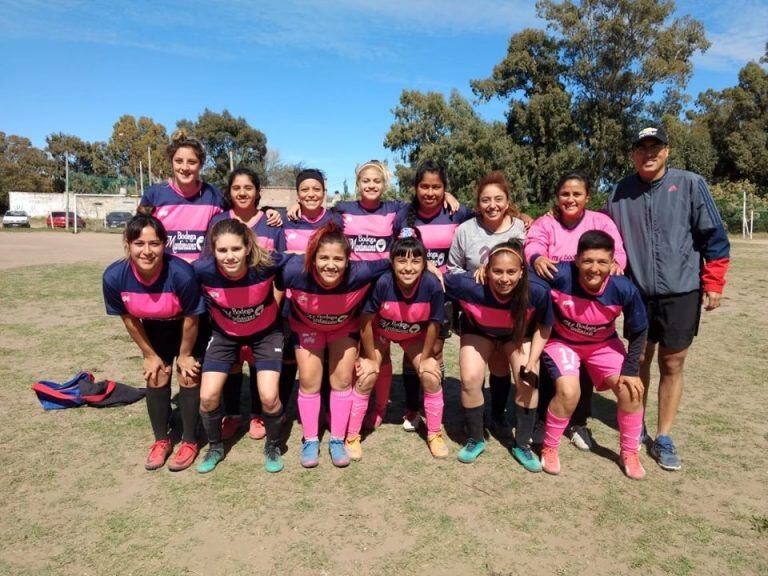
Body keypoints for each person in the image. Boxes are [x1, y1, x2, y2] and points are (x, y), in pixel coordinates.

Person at [605, 126, 730, 471]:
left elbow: (714, 237)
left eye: (655, 147)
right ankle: (637, 426)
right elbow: (597, 231)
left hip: (682, 292)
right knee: (639, 358)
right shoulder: (618, 193)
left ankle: (664, 436)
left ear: (667, 151)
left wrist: (714, 282)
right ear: (632, 154)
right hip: (638, 294)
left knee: (672, 363)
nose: (649, 154)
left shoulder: (690, 184)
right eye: (641, 148)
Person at [524, 171, 627, 451]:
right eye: (565, 194)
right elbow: (532, 244)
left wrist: (616, 264)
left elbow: (616, 251)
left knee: (584, 367)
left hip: (591, 309)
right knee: (553, 368)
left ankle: (578, 422)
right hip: (556, 308)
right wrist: (537, 256)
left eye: (576, 194)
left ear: (587, 197)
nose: (570, 199)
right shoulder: (547, 223)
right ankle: (544, 420)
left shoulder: (600, 221)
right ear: (557, 197)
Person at [538, 231, 648, 479]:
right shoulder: (560, 275)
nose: (594, 269)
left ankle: (629, 452)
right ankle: (550, 446)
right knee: (568, 391)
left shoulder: (623, 288)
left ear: (613, 263)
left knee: (631, 391)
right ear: (576, 260)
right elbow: (524, 280)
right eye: (588, 261)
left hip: (602, 344)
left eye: (602, 262)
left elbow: (640, 329)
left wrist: (631, 370)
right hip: (562, 342)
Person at [102, 214, 207, 471]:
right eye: (139, 244)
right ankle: (162, 440)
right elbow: (129, 321)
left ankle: (190, 441)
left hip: (188, 327)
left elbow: (193, 318)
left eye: (154, 244)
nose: (147, 251)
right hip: (154, 328)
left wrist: (184, 354)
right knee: (156, 375)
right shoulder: (114, 277)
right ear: (127, 245)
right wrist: (149, 354)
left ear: (165, 244)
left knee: (188, 374)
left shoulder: (182, 273)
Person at [280, 223, 389, 468]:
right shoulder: (294, 271)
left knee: (341, 380)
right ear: (312, 258)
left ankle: (337, 439)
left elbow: (396, 259)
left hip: (343, 328)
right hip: (306, 328)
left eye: (338, 259)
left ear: (348, 260)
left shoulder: (360, 272)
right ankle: (310, 440)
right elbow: (260, 260)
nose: (331, 264)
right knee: (309, 381)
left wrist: (431, 267)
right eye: (324, 258)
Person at [446, 241, 552, 471]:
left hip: (516, 336)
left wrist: (532, 361)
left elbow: (544, 326)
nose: (504, 278)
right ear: (486, 269)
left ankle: (522, 444)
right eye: (498, 271)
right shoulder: (468, 285)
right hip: (479, 331)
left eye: (511, 272)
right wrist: (432, 269)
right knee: (470, 379)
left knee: (528, 382)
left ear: (522, 270)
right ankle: (475, 438)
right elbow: (437, 277)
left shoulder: (537, 290)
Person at [193, 219, 286, 473]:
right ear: (213, 250)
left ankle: (273, 444)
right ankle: (215, 446)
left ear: (247, 248)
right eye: (222, 251)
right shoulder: (202, 270)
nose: (230, 256)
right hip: (225, 335)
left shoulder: (266, 264)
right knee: (208, 396)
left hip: (266, 334)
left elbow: (300, 261)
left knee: (269, 397)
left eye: (236, 249)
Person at [206, 168, 286, 444]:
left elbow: (278, 273)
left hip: (262, 309)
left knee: (257, 363)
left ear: (257, 191)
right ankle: (232, 415)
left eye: (248, 187)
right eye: (236, 188)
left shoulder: (273, 222)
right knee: (230, 365)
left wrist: (269, 307)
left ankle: (256, 414)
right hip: (227, 310)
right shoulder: (218, 222)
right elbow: (211, 266)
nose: (242, 193)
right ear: (229, 192)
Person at [393, 160, 474, 432]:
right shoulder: (404, 214)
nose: (430, 192)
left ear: (445, 189)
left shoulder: (457, 212)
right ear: (415, 188)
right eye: (424, 186)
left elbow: (489, 216)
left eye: (437, 187)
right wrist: (424, 263)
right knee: (410, 350)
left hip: (443, 296)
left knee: (435, 351)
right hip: (410, 294)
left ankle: (433, 402)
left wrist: (522, 217)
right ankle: (413, 407)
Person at [353, 229, 447, 460]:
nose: (408, 267)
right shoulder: (383, 282)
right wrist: (369, 356)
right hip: (381, 332)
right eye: (401, 260)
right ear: (392, 262)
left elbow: (435, 323)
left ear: (425, 263)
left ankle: (434, 433)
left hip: (413, 336)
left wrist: (426, 357)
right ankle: (353, 434)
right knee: (367, 375)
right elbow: (365, 321)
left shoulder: (432, 284)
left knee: (430, 375)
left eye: (416, 261)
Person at [448, 171, 527, 437]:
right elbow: (452, 269)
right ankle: (477, 422)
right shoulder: (466, 230)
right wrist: (475, 276)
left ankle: (497, 415)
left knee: (501, 366)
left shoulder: (522, 228)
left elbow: (530, 268)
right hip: (478, 314)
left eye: (498, 199)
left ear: (507, 201)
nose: (492, 205)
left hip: (512, 316)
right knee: (474, 372)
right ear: (478, 203)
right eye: (485, 200)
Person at [138, 130, 223, 263]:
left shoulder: (215, 196)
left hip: (201, 277)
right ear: (171, 162)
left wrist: (267, 211)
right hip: (165, 275)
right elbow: (137, 234)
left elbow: (240, 216)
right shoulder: (154, 195)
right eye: (178, 161)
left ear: (201, 164)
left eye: (192, 162)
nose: (184, 167)